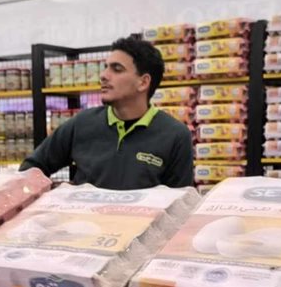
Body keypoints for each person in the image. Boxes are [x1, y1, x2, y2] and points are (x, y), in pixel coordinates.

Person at [22, 36, 193, 189]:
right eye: (105, 68)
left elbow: (180, 203)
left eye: (117, 69)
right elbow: (32, 168)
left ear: (143, 82)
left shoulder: (175, 135)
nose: (104, 75)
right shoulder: (82, 124)